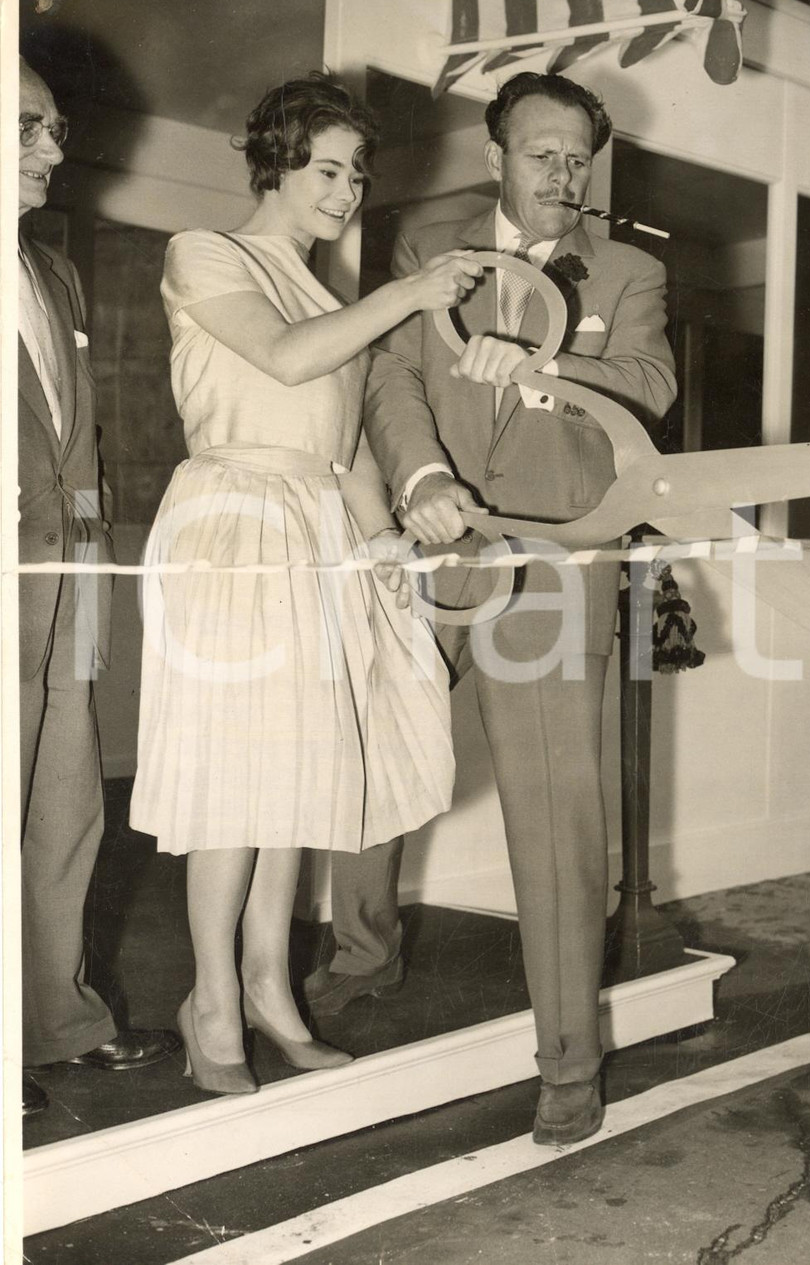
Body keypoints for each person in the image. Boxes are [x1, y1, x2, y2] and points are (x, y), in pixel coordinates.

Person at [306, 72, 676, 1144]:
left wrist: (549, 363)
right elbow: (392, 380)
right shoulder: (430, 255)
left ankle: (567, 1060)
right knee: (375, 759)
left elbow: (648, 383)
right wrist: (420, 481)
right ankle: (362, 956)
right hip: (436, 546)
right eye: (540, 152)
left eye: (577, 156)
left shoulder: (631, 271)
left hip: (560, 567)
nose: (562, 173)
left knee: (558, 816)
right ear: (496, 158)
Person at [128, 73, 480, 1095]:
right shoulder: (205, 254)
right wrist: (408, 294)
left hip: (318, 522)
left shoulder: (333, 295)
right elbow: (284, 363)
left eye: (357, 175)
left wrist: (385, 546)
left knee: (296, 781)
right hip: (236, 517)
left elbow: (346, 448)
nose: (346, 190)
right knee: (237, 781)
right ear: (275, 162)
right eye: (328, 168)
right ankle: (212, 1006)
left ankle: (270, 987)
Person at [17, 58, 179, 1119]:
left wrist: (94, 565)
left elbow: (83, 438)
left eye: (56, 126)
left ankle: (56, 1022)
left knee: (66, 806)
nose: (52, 147)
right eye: (27, 125)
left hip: (62, 570)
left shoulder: (56, 274)